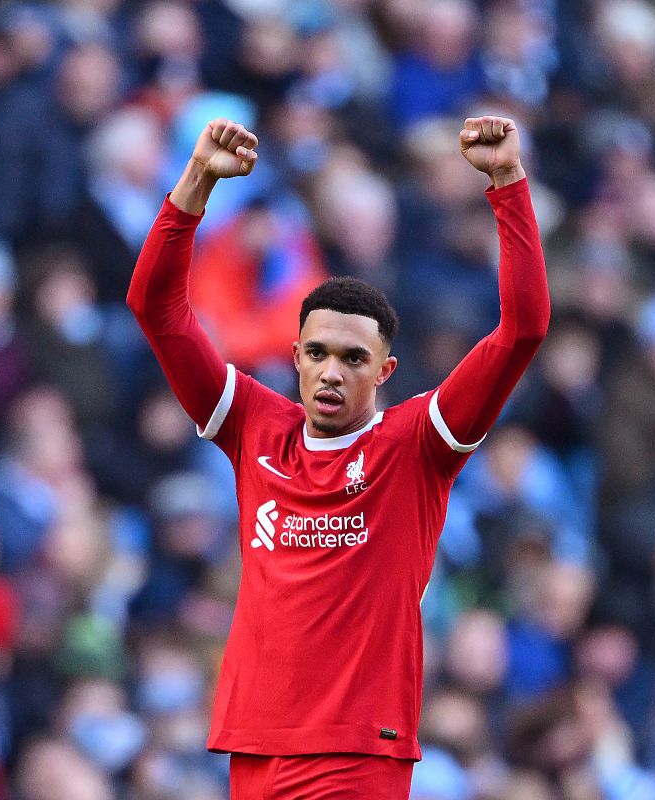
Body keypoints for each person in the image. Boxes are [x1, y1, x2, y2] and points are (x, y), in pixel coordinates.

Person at [126, 115, 549, 799]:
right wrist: (195, 182)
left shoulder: (418, 444)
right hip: (254, 740)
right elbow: (156, 308)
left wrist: (506, 183)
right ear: (293, 357)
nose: (330, 372)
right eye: (317, 353)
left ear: (385, 371)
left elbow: (523, 328)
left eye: (354, 358)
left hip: (356, 751)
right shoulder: (253, 425)